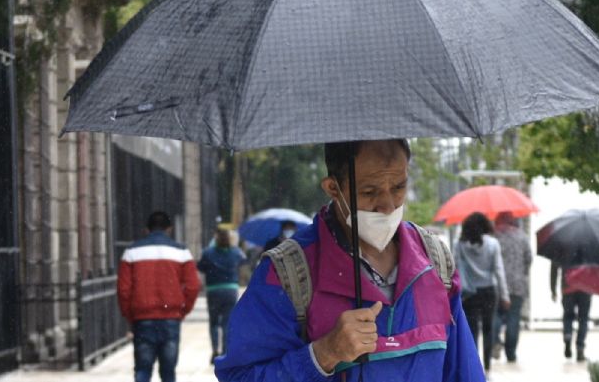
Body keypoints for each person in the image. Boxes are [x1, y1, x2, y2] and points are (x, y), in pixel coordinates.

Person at [215, 140, 485, 382]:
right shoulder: (287, 275)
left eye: (399, 187)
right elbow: (240, 375)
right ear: (333, 188)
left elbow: (464, 371)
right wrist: (322, 355)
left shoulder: (435, 262)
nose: (388, 205)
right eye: (369, 192)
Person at [118, 211, 201, 382]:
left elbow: (123, 289)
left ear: (146, 230)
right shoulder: (182, 252)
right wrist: (182, 310)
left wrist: (130, 315)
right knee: (168, 372)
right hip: (170, 317)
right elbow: (193, 286)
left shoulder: (132, 252)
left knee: (142, 370)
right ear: (169, 229)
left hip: (143, 318)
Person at [454, 212, 510, 372]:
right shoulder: (493, 244)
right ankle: (487, 366)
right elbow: (499, 271)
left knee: (472, 331)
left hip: (469, 294)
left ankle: (474, 366)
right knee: (488, 328)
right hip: (489, 292)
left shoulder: (460, 245)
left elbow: (455, 268)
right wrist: (505, 295)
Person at [198, 227, 246, 364]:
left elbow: (200, 267)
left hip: (213, 290)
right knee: (226, 322)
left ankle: (214, 350)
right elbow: (243, 262)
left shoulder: (208, 253)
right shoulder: (236, 252)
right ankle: (224, 352)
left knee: (213, 322)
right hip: (230, 289)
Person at [491, 212, 532, 363]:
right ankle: (511, 353)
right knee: (513, 319)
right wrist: (522, 273)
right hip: (518, 285)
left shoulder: (494, 237)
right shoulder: (522, 236)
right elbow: (528, 258)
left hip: (497, 284)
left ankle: (495, 342)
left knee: (495, 315)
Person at [550, 251, 591, 362]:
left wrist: (553, 290)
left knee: (568, 316)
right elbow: (595, 266)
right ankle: (580, 348)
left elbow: (554, 269)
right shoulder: (589, 246)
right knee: (583, 319)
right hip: (585, 288)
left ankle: (567, 336)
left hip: (567, 288)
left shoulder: (562, 245)